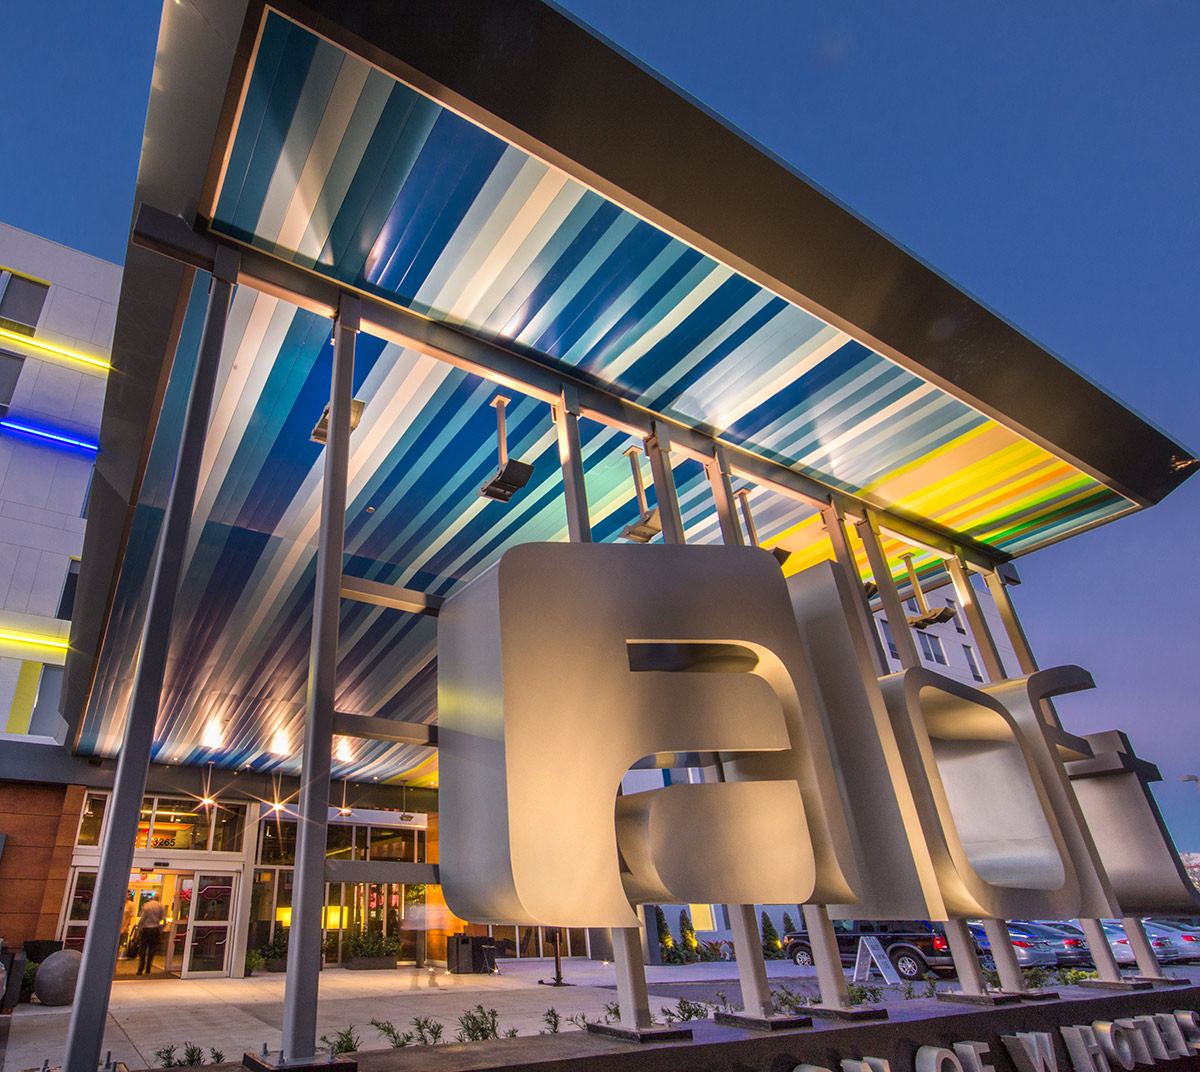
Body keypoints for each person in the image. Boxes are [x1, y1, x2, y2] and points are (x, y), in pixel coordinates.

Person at [136, 895, 166, 975]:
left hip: (145, 929)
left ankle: (140, 968)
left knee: (142, 949)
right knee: (152, 950)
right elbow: (164, 919)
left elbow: (142, 918)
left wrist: (138, 930)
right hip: (155, 929)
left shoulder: (146, 906)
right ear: (158, 898)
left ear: (152, 898)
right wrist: (161, 929)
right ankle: (148, 968)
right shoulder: (160, 906)